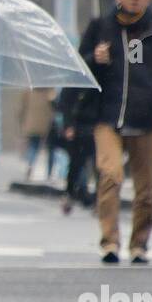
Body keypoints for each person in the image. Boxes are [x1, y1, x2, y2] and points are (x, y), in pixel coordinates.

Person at [78, 0, 152, 264]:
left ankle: (139, 244)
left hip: (146, 119)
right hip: (108, 116)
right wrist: (93, 59)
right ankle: (110, 242)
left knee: (145, 188)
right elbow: (80, 67)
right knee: (111, 175)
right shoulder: (100, 27)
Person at [56, 85, 97, 215]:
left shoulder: (101, 74)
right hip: (77, 128)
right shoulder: (74, 82)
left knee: (100, 166)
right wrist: (68, 125)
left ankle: (99, 199)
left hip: (97, 126)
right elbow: (64, 103)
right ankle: (70, 193)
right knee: (76, 165)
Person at [18, 87, 57, 181]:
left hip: (31, 124)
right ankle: (49, 173)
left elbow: (21, 109)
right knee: (51, 149)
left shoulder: (28, 91)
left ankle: (30, 165)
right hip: (46, 124)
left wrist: (22, 123)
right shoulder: (50, 92)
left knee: (33, 147)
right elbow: (55, 107)